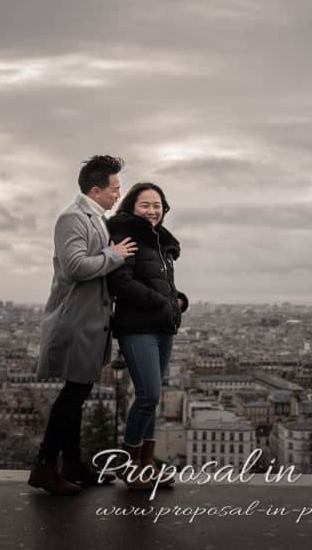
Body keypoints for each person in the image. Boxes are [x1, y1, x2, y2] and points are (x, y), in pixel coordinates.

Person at [28, 155, 137, 495]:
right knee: (73, 395)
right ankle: (46, 467)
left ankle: (72, 465)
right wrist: (116, 255)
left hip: (89, 322)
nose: (118, 195)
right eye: (114, 189)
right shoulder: (72, 218)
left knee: (77, 393)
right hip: (77, 321)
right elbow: (75, 267)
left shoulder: (95, 218)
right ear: (95, 189)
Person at [106, 182, 188, 490]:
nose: (152, 211)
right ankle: (129, 465)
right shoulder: (125, 235)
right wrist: (161, 301)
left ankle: (146, 464)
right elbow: (119, 281)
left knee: (151, 400)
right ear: (130, 207)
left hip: (162, 327)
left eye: (157, 205)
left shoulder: (161, 244)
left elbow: (160, 284)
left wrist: (179, 299)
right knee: (149, 396)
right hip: (137, 327)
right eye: (145, 205)